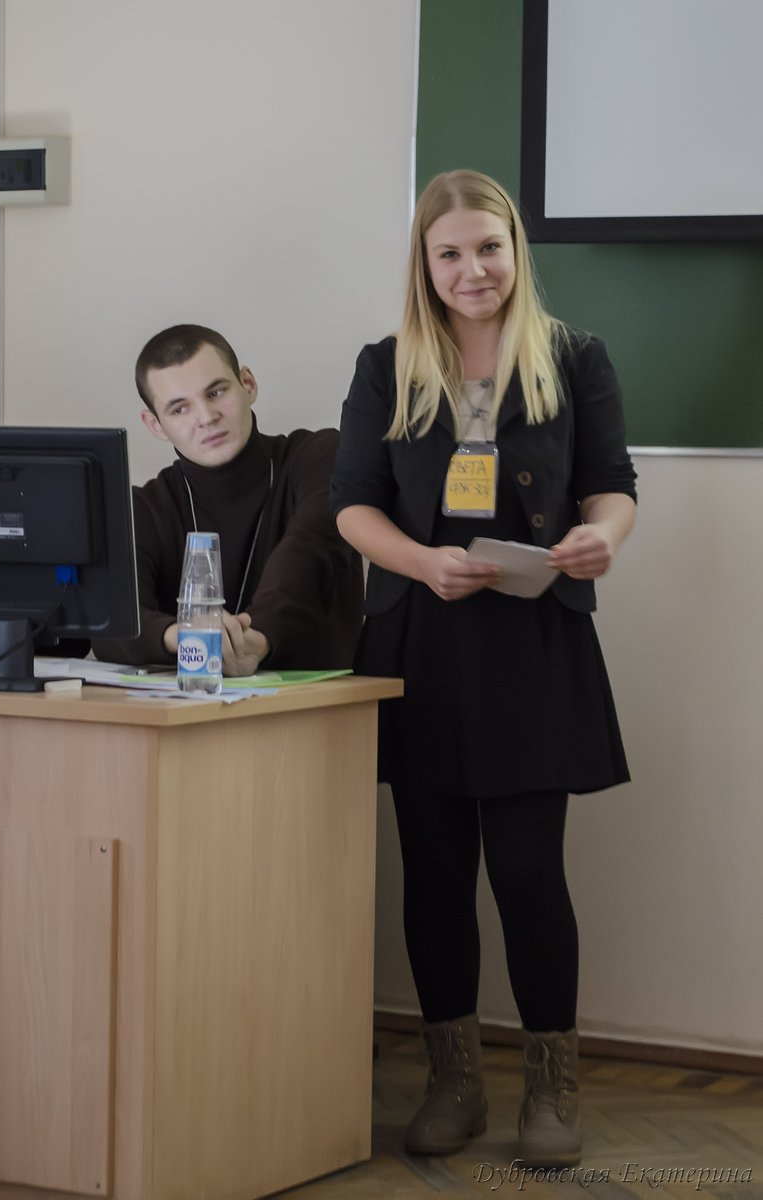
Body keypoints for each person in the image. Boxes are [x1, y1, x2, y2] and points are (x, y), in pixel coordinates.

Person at [330, 171, 636, 1165]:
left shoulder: (575, 357)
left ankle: (551, 1093)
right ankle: (452, 1085)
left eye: (489, 247)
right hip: (422, 642)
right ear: (424, 264)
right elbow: (352, 504)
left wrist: (602, 538)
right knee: (432, 875)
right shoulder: (385, 366)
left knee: (529, 872)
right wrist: (421, 562)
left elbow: (612, 486)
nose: (473, 269)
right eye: (450, 252)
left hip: (533, 643)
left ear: (516, 249)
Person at [93, 324, 363, 673]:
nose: (207, 418)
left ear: (248, 384)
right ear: (155, 424)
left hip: (319, 703)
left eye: (216, 392)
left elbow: (308, 555)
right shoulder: (142, 509)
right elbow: (112, 623)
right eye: (179, 409)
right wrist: (184, 637)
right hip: (185, 704)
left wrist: (256, 639)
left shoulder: (319, 457)